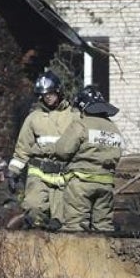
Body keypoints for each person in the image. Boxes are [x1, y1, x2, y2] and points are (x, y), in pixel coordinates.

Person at [7, 71, 84, 230]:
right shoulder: (34, 118)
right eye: (43, 94)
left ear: (58, 91)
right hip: (39, 172)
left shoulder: (74, 116)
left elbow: (82, 145)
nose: (47, 97)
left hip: (64, 174)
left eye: (50, 93)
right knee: (33, 209)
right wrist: (13, 171)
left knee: (62, 220)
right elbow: (23, 147)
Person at [54, 85, 122, 232]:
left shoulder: (81, 124)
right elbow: (117, 154)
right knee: (104, 227)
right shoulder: (113, 128)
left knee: (75, 227)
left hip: (81, 184)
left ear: (83, 107)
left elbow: (62, 150)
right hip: (106, 185)